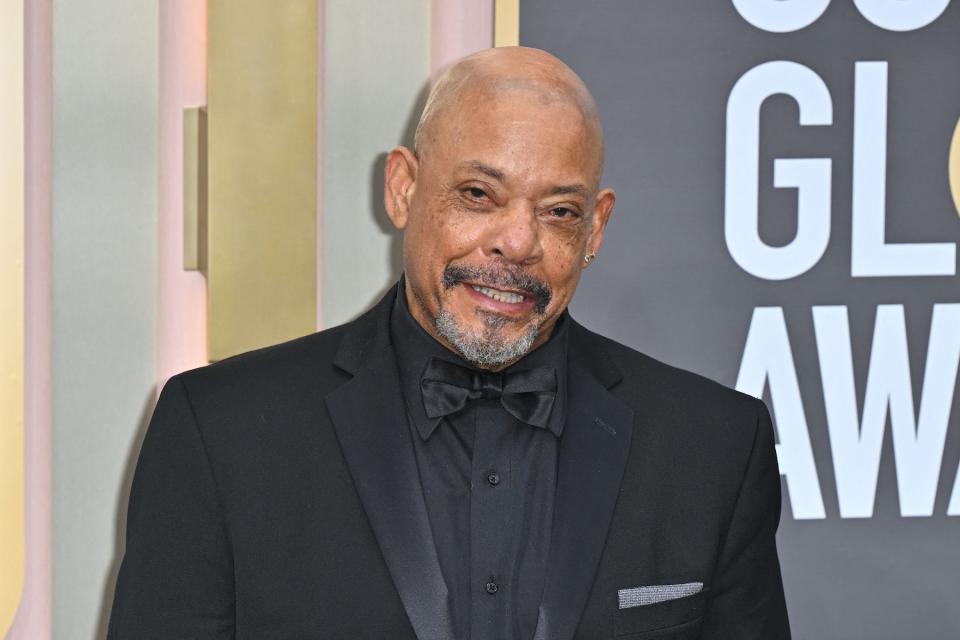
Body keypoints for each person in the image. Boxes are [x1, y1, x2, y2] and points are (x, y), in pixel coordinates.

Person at [107, 47, 790, 640]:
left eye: (558, 212)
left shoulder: (712, 448)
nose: (517, 243)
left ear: (595, 231)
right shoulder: (221, 435)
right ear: (403, 188)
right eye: (478, 194)